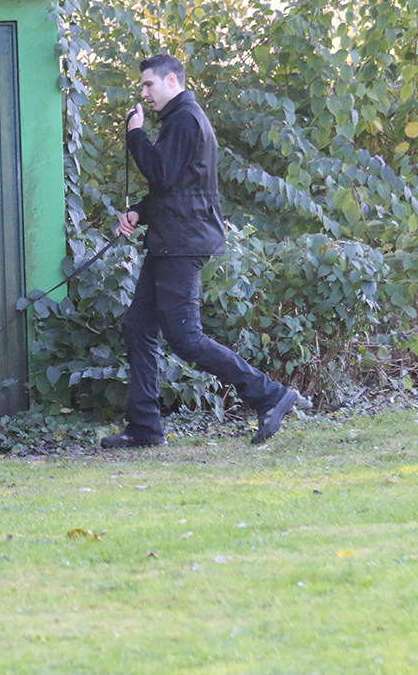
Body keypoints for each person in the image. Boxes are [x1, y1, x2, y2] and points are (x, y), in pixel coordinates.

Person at [100, 54, 308, 449]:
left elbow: (159, 173)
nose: (144, 93)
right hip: (171, 241)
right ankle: (145, 427)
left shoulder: (185, 120)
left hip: (181, 245)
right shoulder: (182, 120)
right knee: (138, 327)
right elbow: (178, 187)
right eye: (142, 86)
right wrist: (139, 211)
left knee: (185, 338)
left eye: (149, 84)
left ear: (172, 81)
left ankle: (270, 395)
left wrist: (135, 134)